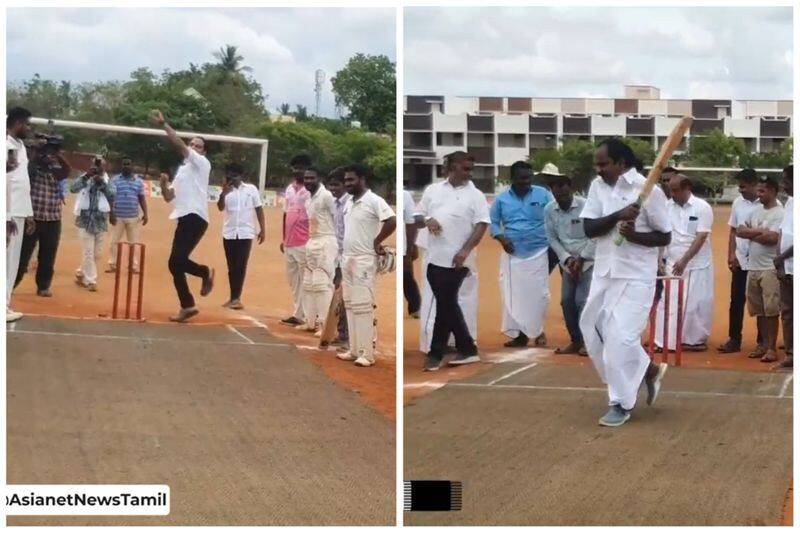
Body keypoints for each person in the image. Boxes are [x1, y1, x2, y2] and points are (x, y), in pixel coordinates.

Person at [579, 138, 672, 427]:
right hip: (605, 272)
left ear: (621, 163)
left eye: (604, 163)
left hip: (636, 276)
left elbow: (664, 237)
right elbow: (589, 228)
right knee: (593, 331)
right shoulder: (597, 188)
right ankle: (648, 371)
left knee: (620, 340)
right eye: (597, 163)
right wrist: (618, 215)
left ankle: (620, 403)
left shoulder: (649, 191)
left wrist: (634, 237)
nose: (598, 169)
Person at [414, 151, 490, 371]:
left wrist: (465, 251)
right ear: (451, 167)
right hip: (435, 256)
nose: (470, 173)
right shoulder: (433, 190)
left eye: (471, 169)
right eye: (465, 168)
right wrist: (428, 220)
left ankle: (435, 353)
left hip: (459, 260)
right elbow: (418, 217)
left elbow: (482, 224)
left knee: (445, 303)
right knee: (447, 303)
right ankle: (467, 348)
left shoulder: (475, 194)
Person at [151, 109, 214, 323]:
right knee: (174, 264)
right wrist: (162, 185)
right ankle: (187, 305)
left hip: (196, 217)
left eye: (198, 146)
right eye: (192, 144)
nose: (193, 147)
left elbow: (178, 144)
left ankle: (203, 275)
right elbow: (169, 197)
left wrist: (163, 124)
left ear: (203, 152)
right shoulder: (182, 171)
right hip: (184, 217)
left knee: (176, 260)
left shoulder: (202, 164)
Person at [336, 164, 396, 367]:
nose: (347, 184)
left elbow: (391, 221)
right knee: (350, 304)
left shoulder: (374, 201)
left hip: (364, 259)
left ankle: (367, 353)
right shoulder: (349, 202)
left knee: (363, 306)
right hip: (348, 258)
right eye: (346, 181)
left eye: (351, 180)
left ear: (362, 179)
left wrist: (377, 242)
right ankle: (354, 349)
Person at [490, 161, 553, 348]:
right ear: (512, 179)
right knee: (512, 294)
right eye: (521, 179)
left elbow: (553, 216)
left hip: (539, 251)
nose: (526, 182)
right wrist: (502, 239)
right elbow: (493, 223)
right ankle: (519, 335)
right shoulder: (501, 200)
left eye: (529, 178)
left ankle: (538, 331)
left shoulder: (543, 194)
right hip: (512, 254)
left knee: (538, 294)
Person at [655, 174, 714, 351]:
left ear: (687, 188)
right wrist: (660, 258)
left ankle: (693, 341)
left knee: (696, 303)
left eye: (675, 190)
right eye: (670, 190)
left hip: (697, 262)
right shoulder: (666, 207)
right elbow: (662, 233)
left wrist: (685, 260)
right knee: (669, 301)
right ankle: (664, 340)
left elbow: (702, 235)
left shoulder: (702, 207)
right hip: (673, 261)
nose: (672, 194)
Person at [544, 172, 595, 356]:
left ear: (571, 190)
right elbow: (551, 237)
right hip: (567, 263)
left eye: (565, 195)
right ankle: (575, 340)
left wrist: (581, 258)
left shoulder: (586, 206)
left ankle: (589, 343)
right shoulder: (549, 209)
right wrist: (567, 258)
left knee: (582, 301)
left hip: (588, 262)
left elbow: (594, 235)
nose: (562, 199)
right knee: (566, 302)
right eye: (557, 196)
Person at [14, 139, 71, 297]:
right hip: (33, 218)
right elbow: (28, 170)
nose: (49, 155)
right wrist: (37, 154)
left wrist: (57, 154)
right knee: (23, 254)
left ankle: (43, 286)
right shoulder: (32, 170)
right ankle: (11, 283)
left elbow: (67, 170)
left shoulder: (55, 171)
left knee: (48, 256)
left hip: (53, 219)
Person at [736, 175, 784, 363]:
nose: (759, 194)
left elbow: (773, 239)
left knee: (771, 309)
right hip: (753, 267)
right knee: (759, 310)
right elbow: (740, 231)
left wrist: (751, 234)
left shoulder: (780, 213)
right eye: (758, 190)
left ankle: (772, 347)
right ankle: (763, 344)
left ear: (772, 191)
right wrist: (759, 233)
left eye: (762, 191)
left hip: (770, 267)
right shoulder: (755, 212)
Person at [719, 168, 763, 353]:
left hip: (760, 262)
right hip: (740, 261)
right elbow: (733, 230)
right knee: (736, 301)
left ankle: (763, 342)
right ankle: (734, 339)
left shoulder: (768, 203)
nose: (740, 190)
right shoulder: (738, 202)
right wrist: (731, 254)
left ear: (754, 184)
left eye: (743, 186)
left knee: (761, 304)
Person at [217, 162, 265, 310]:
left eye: (235, 175)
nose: (232, 177)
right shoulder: (226, 191)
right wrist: (223, 193)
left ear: (241, 176)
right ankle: (233, 297)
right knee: (231, 267)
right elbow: (220, 207)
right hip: (229, 233)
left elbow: (259, 209)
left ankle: (237, 298)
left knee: (240, 266)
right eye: (230, 174)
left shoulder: (251, 190)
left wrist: (263, 229)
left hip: (245, 233)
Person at [6, 107, 35, 322]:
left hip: (19, 211)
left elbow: (22, 182)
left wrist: (29, 214)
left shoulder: (21, 146)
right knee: (7, 261)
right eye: (26, 123)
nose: (29, 127)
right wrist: (7, 217)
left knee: (12, 261)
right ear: (17, 123)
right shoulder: (6, 144)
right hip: (10, 211)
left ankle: (5, 303)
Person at [300, 167, 338, 333]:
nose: (308, 181)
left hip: (327, 240)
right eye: (306, 178)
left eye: (311, 178)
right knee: (308, 283)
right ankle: (310, 322)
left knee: (322, 284)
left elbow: (338, 218)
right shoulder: (308, 198)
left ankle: (325, 326)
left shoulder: (327, 196)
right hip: (312, 240)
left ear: (319, 178)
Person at [70, 163, 116, 291]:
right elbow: (73, 189)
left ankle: (81, 272)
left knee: (97, 254)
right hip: (84, 220)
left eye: (100, 167)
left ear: (105, 168)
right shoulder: (85, 178)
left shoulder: (108, 181)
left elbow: (112, 194)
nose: (98, 169)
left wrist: (102, 183)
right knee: (88, 253)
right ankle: (90, 281)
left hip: (101, 220)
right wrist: (86, 176)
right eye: (96, 166)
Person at [280, 154, 311, 326]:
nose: (298, 171)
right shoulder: (290, 189)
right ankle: (298, 312)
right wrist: (283, 237)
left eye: (301, 167)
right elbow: (285, 214)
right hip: (290, 241)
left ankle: (306, 315)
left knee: (304, 278)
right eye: (295, 168)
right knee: (293, 279)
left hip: (304, 240)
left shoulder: (311, 190)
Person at [106, 157, 148, 273]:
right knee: (114, 241)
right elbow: (110, 197)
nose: (126, 166)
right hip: (118, 215)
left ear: (132, 166)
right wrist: (111, 213)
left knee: (133, 242)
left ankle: (133, 266)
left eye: (128, 164)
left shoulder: (138, 181)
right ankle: (113, 265)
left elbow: (142, 198)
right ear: (121, 166)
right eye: (124, 164)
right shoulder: (115, 180)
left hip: (133, 216)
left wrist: (146, 213)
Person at [328, 168, 350, 346]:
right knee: (339, 295)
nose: (332, 188)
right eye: (331, 185)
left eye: (336, 184)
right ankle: (343, 333)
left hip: (351, 257)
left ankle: (347, 336)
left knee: (347, 297)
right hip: (338, 256)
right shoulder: (335, 204)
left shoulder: (350, 203)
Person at [774, 165, 793, 368]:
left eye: (786, 181)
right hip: (786, 267)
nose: (783, 185)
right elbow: (782, 232)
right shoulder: (789, 203)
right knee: (787, 312)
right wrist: (779, 260)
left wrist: (782, 258)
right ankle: (791, 353)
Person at [403, 187, 421, 318]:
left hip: (403, 245)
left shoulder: (405, 195)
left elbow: (411, 223)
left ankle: (415, 307)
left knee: (406, 275)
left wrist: (410, 247)